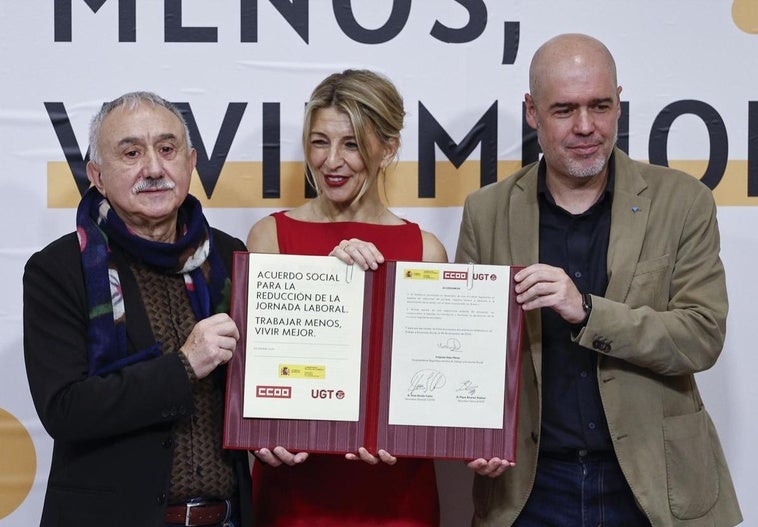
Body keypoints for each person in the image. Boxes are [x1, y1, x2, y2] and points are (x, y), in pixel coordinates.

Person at [456, 34, 742, 526]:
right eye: (564, 110)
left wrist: (589, 311)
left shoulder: (683, 201)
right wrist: (472, 436)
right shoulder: (487, 212)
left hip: (655, 486)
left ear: (619, 104)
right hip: (529, 490)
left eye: (600, 106)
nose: (586, 127)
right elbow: (463, 349)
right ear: (532, 112)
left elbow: (702, 336)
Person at [24, 91, 252, 527]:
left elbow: (253, 383)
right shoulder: (59, 270)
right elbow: (65, 409)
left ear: (190, 162)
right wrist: (184, 366)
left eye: (167, 150)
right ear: (98, 176)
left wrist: (277, 435)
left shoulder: (228, 254)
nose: (153, 168)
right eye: (131, 153)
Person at [246, 69, 447, 526]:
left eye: (352, 143)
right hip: (296, 490)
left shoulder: (426, 251)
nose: (332, 161)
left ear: (388, 148)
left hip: (396, 491)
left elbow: (429, 379)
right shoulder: (270, 237)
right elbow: (258, 371)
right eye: (319, 142)